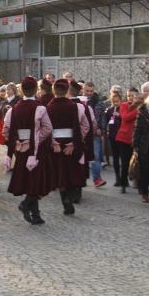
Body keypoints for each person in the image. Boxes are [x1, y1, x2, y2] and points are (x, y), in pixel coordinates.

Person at [3, 76, 52, 224]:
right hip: (36, 149)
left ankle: (35, 214)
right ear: (36, 90)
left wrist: (18, 140)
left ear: (21, 90)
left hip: (20, 147)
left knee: (30, 180)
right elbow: (48, 128)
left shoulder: (14, 109)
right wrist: (37, 137)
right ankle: (27, 205)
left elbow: (6, 130)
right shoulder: (40, 108)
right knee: (37, 180)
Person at [46, 79, 87, 215]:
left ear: (54, 91)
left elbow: (47, 127)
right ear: (67, 91)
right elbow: (77, 125)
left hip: (56, 143)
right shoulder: (73, 106)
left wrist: (52, 141)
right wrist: (74, 142)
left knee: (60, 174)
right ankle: (70, 197)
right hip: (70, 141)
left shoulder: (49, 107)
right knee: (71, 172)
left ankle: (66, 202)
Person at [113, 88, 140, 194]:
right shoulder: (124, 105)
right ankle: (123, 184)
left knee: (138, 162)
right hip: (124, 138)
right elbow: (125, 117)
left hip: (137, 138)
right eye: (129, 95)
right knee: (125, 162)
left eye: (133, 95)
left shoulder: (142, 105)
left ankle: (138, 182)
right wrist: (137, 110)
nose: (131, 97)